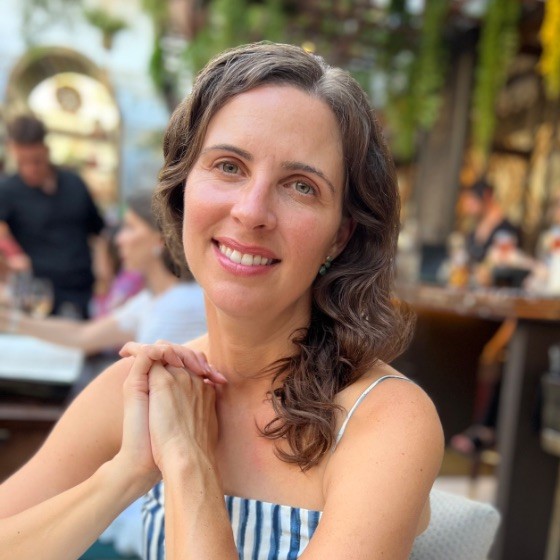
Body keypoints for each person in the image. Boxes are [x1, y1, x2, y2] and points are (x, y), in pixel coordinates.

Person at [0, 42, 443, 560]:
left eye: (301, 186)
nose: (251, 211)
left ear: (339, 236)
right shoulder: (143, 389)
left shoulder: (385, 420)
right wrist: (123, 476)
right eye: (229, 166)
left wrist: (188, 461)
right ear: (183, 187)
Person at [0, 191, 206, 353]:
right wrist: (10, 320)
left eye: (130, 228)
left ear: (160, 238)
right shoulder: (153, 299)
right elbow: (83, 335)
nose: (119, 239)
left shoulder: (179, 305)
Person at [0, 114, 105, 318]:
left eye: (36, 161)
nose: (30, 169)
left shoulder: (74, 184)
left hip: (82, 290)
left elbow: (98, 231)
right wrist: (11, 257)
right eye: (22, 162)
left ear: (46, 150)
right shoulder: (8, 191)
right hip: (37, 295)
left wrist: (103, 266)